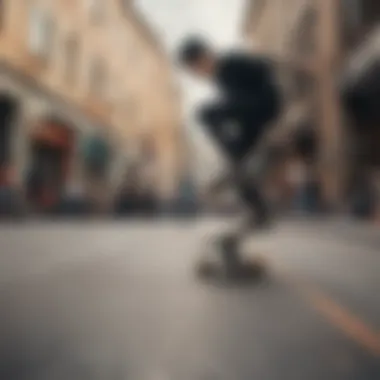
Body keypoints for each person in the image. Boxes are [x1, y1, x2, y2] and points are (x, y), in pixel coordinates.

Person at [177, 37, 282, 274]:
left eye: (196, 69)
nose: (198, 75)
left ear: (203, 58)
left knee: (205, 113)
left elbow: (263, 67)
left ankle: (234, 157)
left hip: (263, 105)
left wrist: (263, 57)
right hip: (252, 120)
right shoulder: (222, 75)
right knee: (240, 159)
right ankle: (256, 204)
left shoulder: (229, 63)